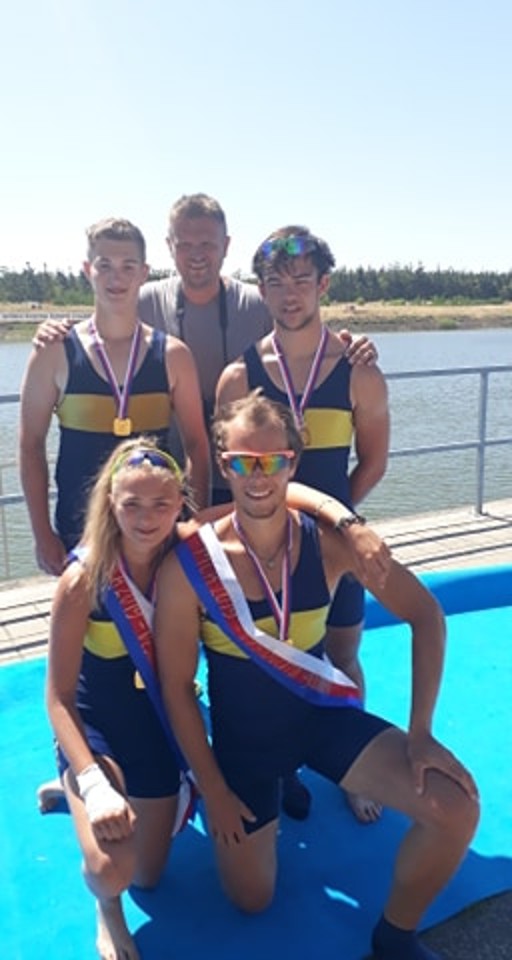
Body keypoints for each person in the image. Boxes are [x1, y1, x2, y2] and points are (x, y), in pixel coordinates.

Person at [154, 392, 479, 960]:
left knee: (456, 808)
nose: (259, 476)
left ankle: (395, 935)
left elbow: (425, 615)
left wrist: (421, 732)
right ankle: (269, 789)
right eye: (243, 463)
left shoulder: (330, 545)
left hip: (319, 721)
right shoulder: (191, 566)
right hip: (243, 744)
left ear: (294, 463)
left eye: (273, 461)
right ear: (223, 466)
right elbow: (178, 689)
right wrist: (215, 790)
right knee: (252, 898)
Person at [34, 194, 379, 504]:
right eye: (185, 244)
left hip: (247, 478)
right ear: (169, 246)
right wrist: (56, 330)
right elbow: (103, 319)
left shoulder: (258, 302)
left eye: (207, 244)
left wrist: (350, 345)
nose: (196, 255)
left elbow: (299, 328)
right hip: (171, 478)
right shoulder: (142, 299)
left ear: (226, 245)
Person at [215, 226, 389, 822]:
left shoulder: (359, 371)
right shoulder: (239, 377)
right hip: (262, 548)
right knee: (267, 659)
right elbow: (231, 471)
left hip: (333, 546)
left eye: (301, 280)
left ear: (323, 285)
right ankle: (280, 766)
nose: (289, 294)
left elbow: (374, 461)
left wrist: (332, 520)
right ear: (261, 290)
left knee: (342, 654)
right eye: (275, 282)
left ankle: (354, 770)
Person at [45, 437, 187, 960]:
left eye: (161, 503)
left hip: (156, 725)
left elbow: (272, 502)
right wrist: (92, 781)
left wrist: (345, 519)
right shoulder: (81, 580)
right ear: (110, 503)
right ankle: (106, 908)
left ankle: (80, 792)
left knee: (147, 876)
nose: (147, 518)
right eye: (132, 504)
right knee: (112, 872)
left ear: (180, 502)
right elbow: (57, 697)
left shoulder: (187, 554)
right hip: (96, 725)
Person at [19, 217, 210, 576]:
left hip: (156, 533)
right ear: (87, 270)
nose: (116, 277)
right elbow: (30, 446)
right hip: (81, 533)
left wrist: (192, 522)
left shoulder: (174, 355)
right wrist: (42, 533)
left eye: (127, 266)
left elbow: (197, 446)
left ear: (144, 273)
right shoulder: (54, 352)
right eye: (104, 265)